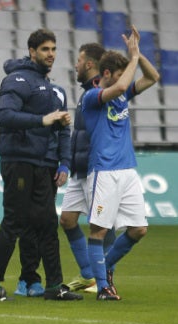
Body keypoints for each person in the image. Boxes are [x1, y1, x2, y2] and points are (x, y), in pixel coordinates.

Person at [0, 28, 82, 301]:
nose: (51, 54)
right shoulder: (17, 80)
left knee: (48, 223)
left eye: (54, 49)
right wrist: (42, 120)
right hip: (19, 161)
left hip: (44, 164)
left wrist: (64, 164)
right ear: (32, 51)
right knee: (14, 221)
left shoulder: (54, 89)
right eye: (45, 49)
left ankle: (54, 286)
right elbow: (5, 115)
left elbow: (62, 131)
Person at [82, 26, 159, 301]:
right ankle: (103, 287)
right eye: (118, 72)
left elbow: (153, 77)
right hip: (103, 170)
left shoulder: (123, 95)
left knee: (139, 229)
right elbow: (122, 85)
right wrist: (133, 57)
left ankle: (106, 269)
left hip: (127, 170)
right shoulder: (91, 98)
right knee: (99, 230)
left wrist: (139, 55)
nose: (123, 77)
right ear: (105, 74)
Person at [58, 42, 116, 293]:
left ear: (90, 64)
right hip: (79, 168)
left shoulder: (99, 91)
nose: (76, 65)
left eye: (79, 61)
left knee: (103, 225)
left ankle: (106, 277)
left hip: (96, 167)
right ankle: (88, 275)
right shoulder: (85, 92)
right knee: (67, 220)